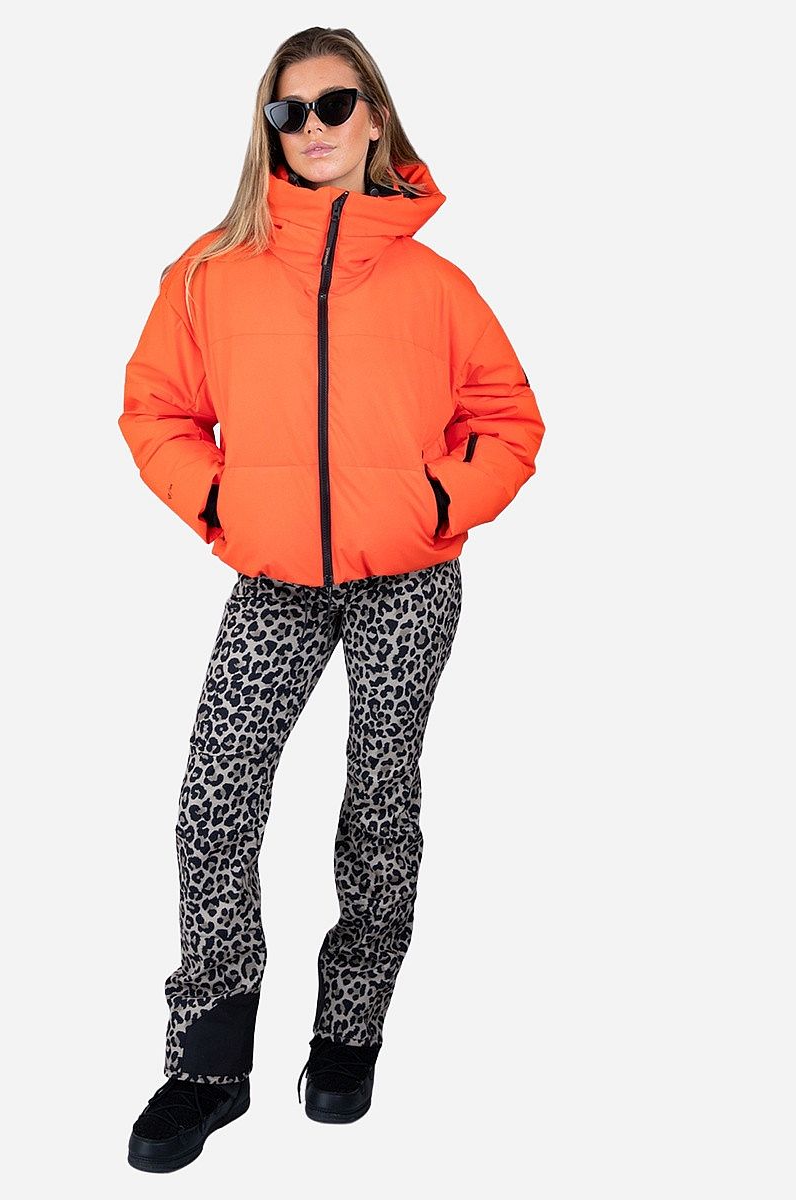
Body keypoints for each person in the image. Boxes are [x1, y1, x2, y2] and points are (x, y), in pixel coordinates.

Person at [118, 26, 545, 1172]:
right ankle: (209, 1067)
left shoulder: (436, 286)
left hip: (409, 576)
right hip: (276, 581)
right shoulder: (208, 273)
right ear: (267, 129)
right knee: (216, 799)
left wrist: (435, 502)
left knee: (377, 799)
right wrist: (220, 501)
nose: (310, 127)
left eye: (333, 104)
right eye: (287, 111)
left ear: (375, 120)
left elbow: (512, 420)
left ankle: (348, 1033)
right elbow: (154, 410)